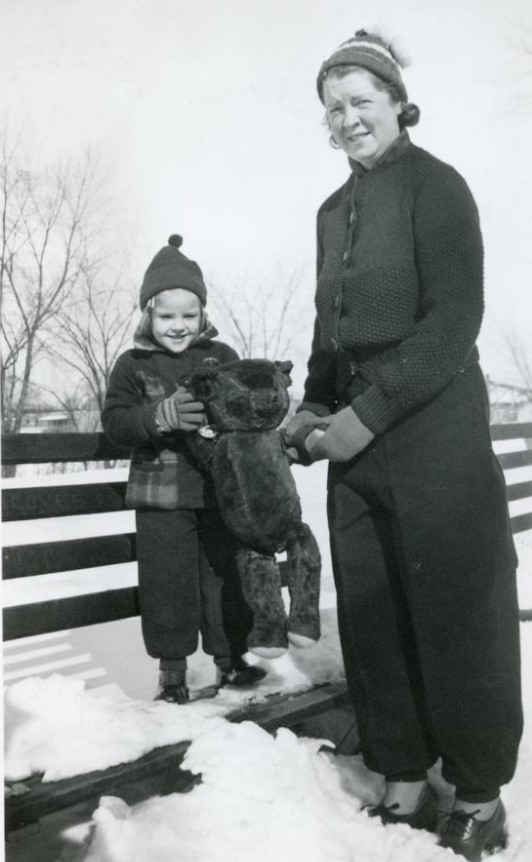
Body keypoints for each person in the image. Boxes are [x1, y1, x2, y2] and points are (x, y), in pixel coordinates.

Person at [285, 30, 523, 861]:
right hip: (356, 437)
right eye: (334, 108)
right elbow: (329, 330)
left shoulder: (438, 187)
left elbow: (454, 322)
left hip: (434, 431)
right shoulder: (330, 212)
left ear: (395, 101)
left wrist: (364, 415)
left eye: (361, 102)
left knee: (458, 613)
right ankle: (404, 772)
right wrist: (311, 405)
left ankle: (481, 792)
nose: (348, 119)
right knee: (376, 610)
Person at [102, 234, 266, 704]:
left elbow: (246, 407)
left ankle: (231, 659)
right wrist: (159, 417)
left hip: (219, 494)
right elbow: (115, 421)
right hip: (161, 497)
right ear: (147, 314)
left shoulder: (223, 357)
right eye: (166, 315)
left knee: (225, 579)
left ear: (204, 316)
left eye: (189, 316)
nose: (178, 326)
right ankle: (172, 672)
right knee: (167, 585)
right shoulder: (132, 365)